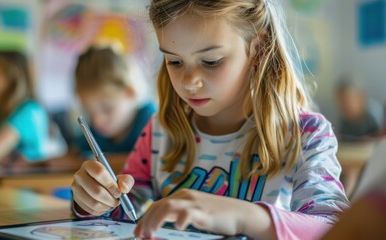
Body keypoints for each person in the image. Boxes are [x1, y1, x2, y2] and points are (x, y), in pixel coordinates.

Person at [71, 1, 349, 239]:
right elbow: (121, 216)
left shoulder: (307, 134)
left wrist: (241, 216)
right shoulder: (159, 131)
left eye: (212, 61)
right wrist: (94, 202)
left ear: (258, 48)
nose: (190, 82)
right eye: (175, 62)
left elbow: (336, 229)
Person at [66, 46, 155, 172]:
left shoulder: (151, 119)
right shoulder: (95, 130)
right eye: (89, 111)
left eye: (107, 109)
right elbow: (71, 156)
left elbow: (151, 161)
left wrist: (81, 162)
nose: (97, 120)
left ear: (130, 92)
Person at [335, 75, 384, 141]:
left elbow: (379, 139)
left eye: (348, 101)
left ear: (360, 99)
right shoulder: (344, 121)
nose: (344, 106)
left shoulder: (373, 116)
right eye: (341, 103)